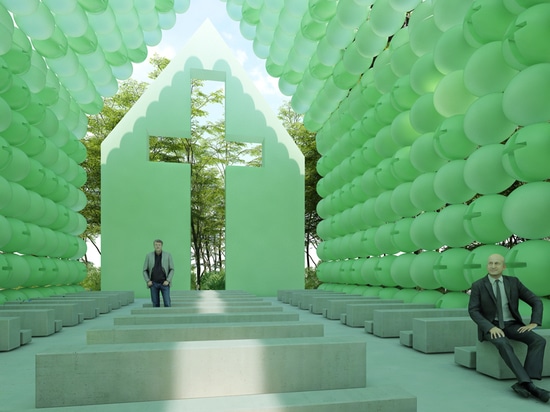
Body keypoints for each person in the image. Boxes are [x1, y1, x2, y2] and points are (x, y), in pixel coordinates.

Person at [468, 253, 549, 402]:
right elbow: (473, 310)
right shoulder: (478, 285)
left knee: (538, 341)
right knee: (503, 343)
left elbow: (536, 301)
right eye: (490, 263)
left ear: (503, 266)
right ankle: (531, 386)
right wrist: (490, 327)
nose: (493, 266)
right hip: (491, 328)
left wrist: (534, 322)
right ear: (487, 265)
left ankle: (524, 382)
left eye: (497, 263)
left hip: (512, 325)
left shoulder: (514, 282)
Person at [143, 239, 174, 307]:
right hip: (153, 283)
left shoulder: (168, 255)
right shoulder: (149, 256)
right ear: (154, 246)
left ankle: (168, 317)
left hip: (164, 283)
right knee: (155, 304)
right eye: (156, 245)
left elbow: (172, 269)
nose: (157, 246)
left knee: (167, 303)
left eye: (159, 245)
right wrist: (148, 281)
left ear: (161, 246)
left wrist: (168, 280)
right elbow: (144, 270)